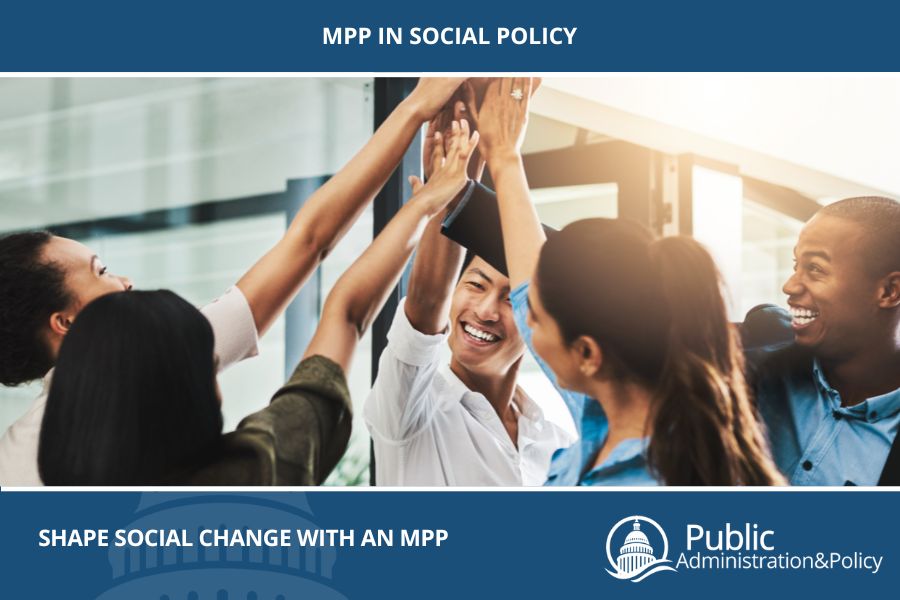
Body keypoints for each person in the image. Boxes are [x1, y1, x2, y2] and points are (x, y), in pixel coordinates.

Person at [0, 77, 467, 486]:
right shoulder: (250, 461)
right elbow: (320, 267)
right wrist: (419, 151)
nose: (124, 281)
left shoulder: (14, 469)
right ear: (65, 321)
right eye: (100, 271)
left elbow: (311, 246)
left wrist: (415, 111)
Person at [464, 77, 783, 485]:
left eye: (537, 319)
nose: (525, 320)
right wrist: (504, 157)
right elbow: (531, 280)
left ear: (587, 353)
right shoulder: (607, 408)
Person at [365, 107, 572, 487]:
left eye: (512, 298)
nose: (485, 310)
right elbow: (425, 307)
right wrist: (458, 170)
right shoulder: (411, 411)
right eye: (475, 284)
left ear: (535, 314)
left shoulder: (556, 445)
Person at [748, 196, 900, 486]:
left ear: (889, 291)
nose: (789, 285)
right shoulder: (751, 377)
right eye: (796, 265)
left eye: (815, 268)